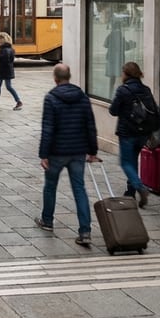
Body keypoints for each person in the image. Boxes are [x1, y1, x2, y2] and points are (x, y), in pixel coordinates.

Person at [37, 63, 100, 247]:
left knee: (50, 186)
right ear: (69, 76)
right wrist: (93, 151)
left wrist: (43, 154)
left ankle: (47, 220)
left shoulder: (51, 98)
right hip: (77, 151)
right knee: (79, 189)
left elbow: (47, 128)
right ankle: (85, 230)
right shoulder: (83, 97)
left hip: (57, 151)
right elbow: (90, 125)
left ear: (55, 78)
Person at [109, 61, 158, 208]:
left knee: (125, 162)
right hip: (143, 133)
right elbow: (154, 110)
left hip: (128, 132)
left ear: (126, 74)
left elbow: (113, 111)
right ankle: (130, 191)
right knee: (133, 160)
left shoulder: (123, 90)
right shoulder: (146, 89)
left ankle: (140, 187)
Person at [0, 32, 23, 110]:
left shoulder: (4, 50)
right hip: (7, 70)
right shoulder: (10, 48)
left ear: (2, 40)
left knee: (5, 86)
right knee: (3, 86)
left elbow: (2, 59)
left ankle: (18, 101)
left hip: (3, 70)